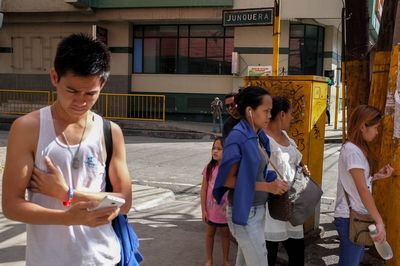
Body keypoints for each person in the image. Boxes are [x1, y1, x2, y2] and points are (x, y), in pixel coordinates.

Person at [2, 33, 132, 266]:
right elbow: (11, 205)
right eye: (72, 91)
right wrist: (66, 218)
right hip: (48, 260)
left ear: (102, 84)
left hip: (103, 258)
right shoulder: (28, 128)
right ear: (54, 77)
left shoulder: (110, 132)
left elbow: (125, 201)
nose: (81, 101)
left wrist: (68, 195)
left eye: (91, 93)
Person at [213, 86, 289, 266]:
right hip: (245, 213)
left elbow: (255, 171)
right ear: (249, 111)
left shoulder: (257, 134)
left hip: (257, 210)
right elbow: (227, 179)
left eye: (270, 111)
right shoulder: (237, 137)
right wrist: (267, 187)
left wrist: (271, 179)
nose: (270, 116)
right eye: (266, 111)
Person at [334, 105, 394, 266]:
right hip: (350, 217)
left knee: (353, 261)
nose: (377, 132)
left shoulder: (353, 148)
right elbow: (362, 191)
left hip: (353, 216)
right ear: (362, 126)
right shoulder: (353, 151)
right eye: (375, 127)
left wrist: (375, 176)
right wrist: (379, 221)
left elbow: (357, 183)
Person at [263, 96, 310, 266]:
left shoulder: (286, 136)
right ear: (282, 114)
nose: (292, 117)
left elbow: (296, 161)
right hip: (272, 205)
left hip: (291, 203)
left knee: (297, 252)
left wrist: (303, 169)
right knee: (269, 253)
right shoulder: (264, 140)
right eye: (290, 113)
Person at [200, 137, 230, 266]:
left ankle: (225, 260)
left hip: (225, 211)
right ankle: (209, 259)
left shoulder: (229, 169)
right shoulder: (209, 168)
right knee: (210, 234)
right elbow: (203, 190)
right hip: (211, 210)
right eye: (213, 148)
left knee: (225, 235)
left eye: (219, 149)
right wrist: (203, 210)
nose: (215, 151)